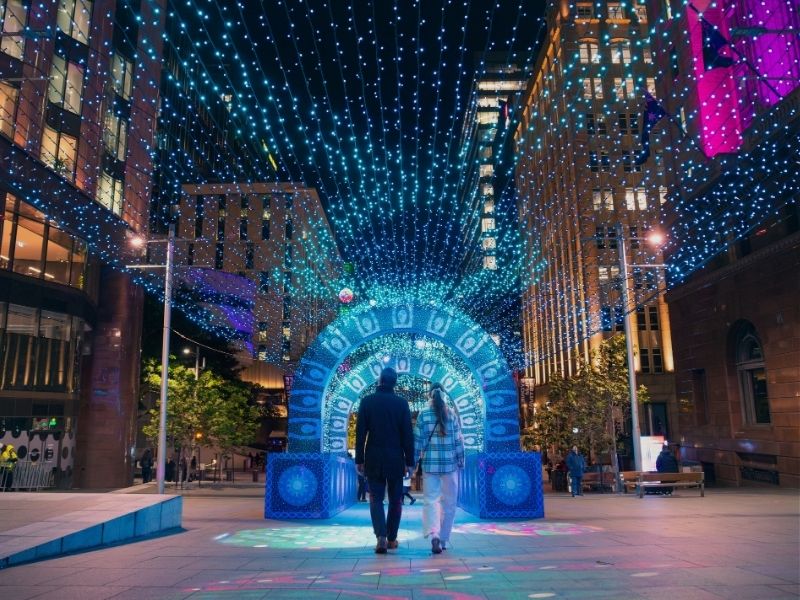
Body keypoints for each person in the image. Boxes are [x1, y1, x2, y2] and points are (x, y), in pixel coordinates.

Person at [355, 367, 415, 554]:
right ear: (395, 382)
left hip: (373, 456)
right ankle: (391, 538)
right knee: (396, 500)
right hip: (396, 458)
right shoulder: (401, 404)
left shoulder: (367, 401)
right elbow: (407, 434)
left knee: (375, 498)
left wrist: (359, 458)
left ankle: (380, 536)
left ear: (379, 381)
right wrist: (410, 460)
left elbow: (360, 433)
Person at [415, 383, 465, 554]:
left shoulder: (423, 414)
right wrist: (461, 460)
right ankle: (443, 539)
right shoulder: (451, 414)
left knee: (431, 500)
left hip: (430, 465)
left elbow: (418, 441)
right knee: (450, 503)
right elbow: (458, 441)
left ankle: (434, 534)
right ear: (444, 395)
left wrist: (413, 461)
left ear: (430, 395)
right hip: (450, 466)